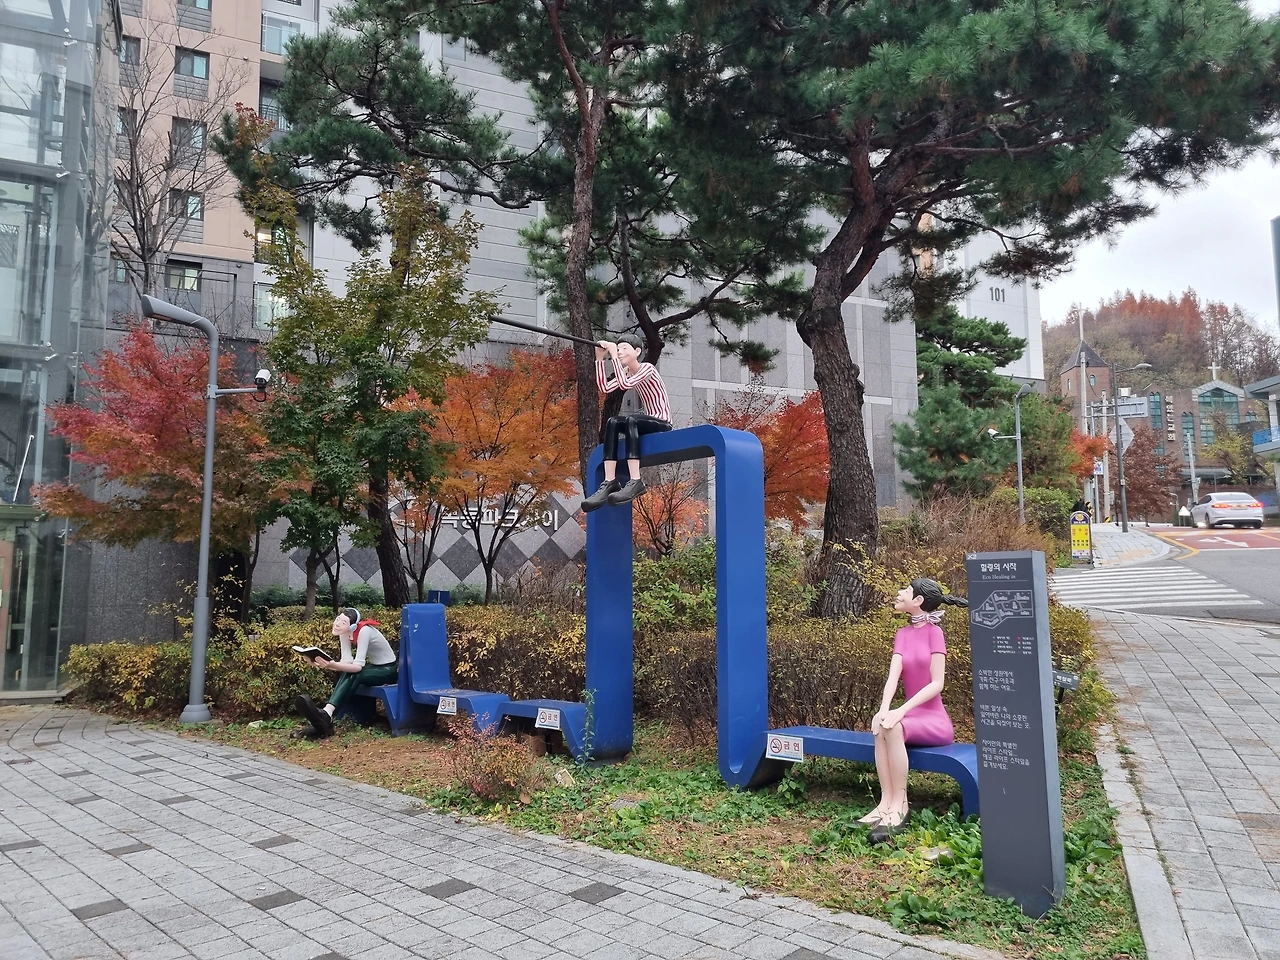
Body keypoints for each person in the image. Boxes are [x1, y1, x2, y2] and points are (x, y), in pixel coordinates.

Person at [860, 578, 968, 841]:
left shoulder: (935, 633)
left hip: (934, 720)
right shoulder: (903, 634)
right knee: (882, 725)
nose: (899, 593)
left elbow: (937, 683)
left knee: (894, 726)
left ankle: (901, 805)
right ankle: (885, 803)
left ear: (919, 600)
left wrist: (902, 710)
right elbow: (892, 677)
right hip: (911, 716)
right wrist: (884, 709)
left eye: (906, 590)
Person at [582, 336, 672, 512]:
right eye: (619, 349)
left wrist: (614, 355)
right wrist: (599, 359)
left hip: (662, 421)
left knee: (632, 419)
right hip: (645, 423)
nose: (620, 352)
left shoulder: (647, 368)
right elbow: (605, 388)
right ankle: (609, 480)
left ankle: (635, 480)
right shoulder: (627, 371)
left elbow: (624, 384)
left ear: (637, 352)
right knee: (613, 422)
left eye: (624, 349)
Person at [295, 608, 397, 739]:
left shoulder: (364, 631)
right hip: (374, 667)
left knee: (355, 674)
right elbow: (346, 662)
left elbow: (357, 667)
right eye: (338, 619)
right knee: (349, 671)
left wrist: (332, 665)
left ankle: (327, 715)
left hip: (388, 670)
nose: (337, 624)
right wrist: (321, 663)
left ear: (352, 626)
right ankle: (326, 716)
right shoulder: (345, 633)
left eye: (343, 622)